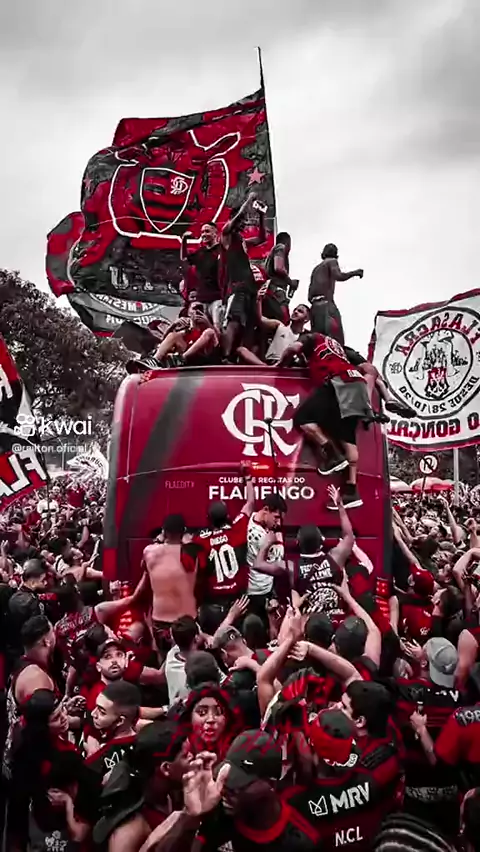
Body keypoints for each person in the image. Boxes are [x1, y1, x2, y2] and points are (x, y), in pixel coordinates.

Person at [280, 332, 372, 507]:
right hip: (357, 383)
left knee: (302, 419)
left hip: (338, 381)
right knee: (347, 436)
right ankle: (351, 491)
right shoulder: (337, 349)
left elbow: (293, 348)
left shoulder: (312, 338)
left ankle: (331, 454)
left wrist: (280, 364)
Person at [142, 513, 198, 660]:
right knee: (189, 660)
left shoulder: (149, 552)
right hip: (187, 621)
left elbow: (144, 568)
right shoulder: (193, 552)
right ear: (183, 532)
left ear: (164, 531)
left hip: (161, 621)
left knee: (165, 661)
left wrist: (160, 540)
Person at [220, 192, 267, 359]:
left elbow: (261, 238)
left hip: (249, 287)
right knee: (234, 319)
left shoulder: (242, 241)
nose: (244, 224)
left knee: (249, 323)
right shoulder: (226, 234)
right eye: (241, 221)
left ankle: (242, 356)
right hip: (237, 286)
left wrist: (261, 216)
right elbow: (237, 218)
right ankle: (225, 356)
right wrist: (249, 200)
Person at [308, 243, 363, 345]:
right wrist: (355, 272)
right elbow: (339, 276)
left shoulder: (316, 269)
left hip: (314, 307)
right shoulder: (332, 261)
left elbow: (310, 294)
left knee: (318, 340)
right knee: (336, 341)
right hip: (326, 305)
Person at [237, 298, 310, 366]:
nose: (295, 312)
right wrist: (259, 300)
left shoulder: (306, 336)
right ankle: (266, 367)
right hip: (269, 362)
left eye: (300, 311)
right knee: (241, 350)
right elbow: (261, 319)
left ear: (306, 319)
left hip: (288, 365)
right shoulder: (279, 325)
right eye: (295, 310)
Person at [181, 223, 223, 330]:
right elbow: (184, 258)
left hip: (217, 298)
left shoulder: (222, 250)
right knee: (196, 330)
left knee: (217, 328)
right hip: (201, 298)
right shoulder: (201, 252)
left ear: (215, 234)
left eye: (207, 231)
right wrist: (184, 240)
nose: (204, 234)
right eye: (202, 232)